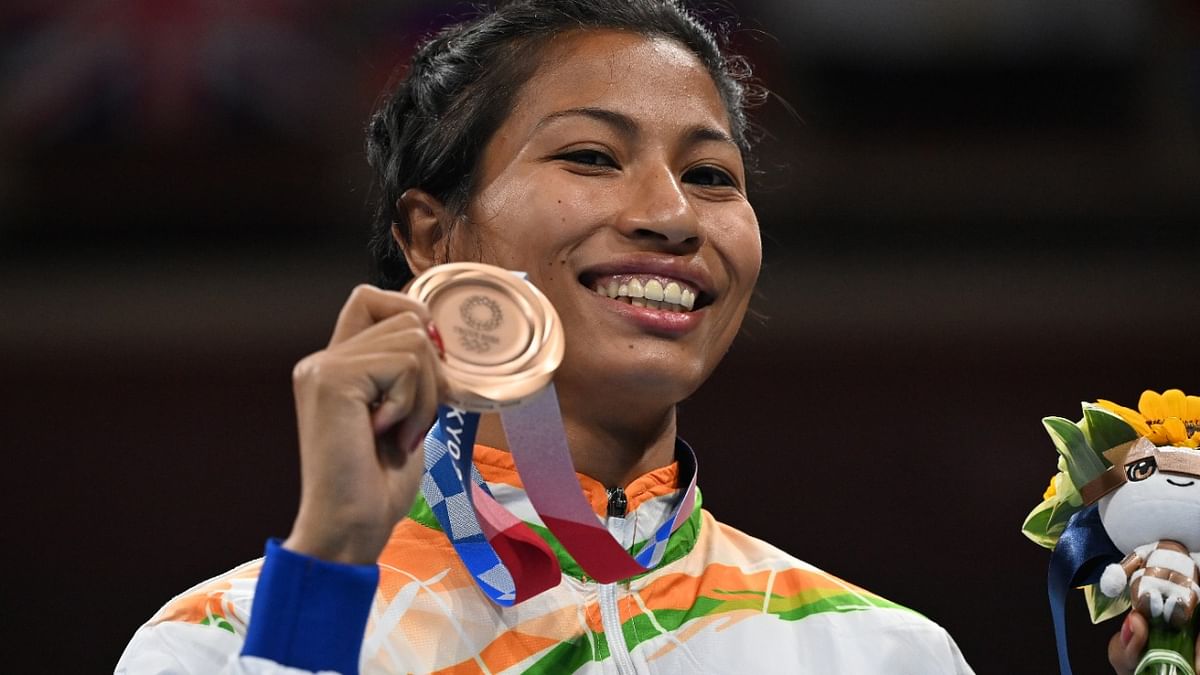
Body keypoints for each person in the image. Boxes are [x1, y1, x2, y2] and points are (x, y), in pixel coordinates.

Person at [117, 1, 975, 672]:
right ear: (432, 236)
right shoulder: (217, 641)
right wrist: (330, 572)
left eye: (710, 175)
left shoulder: (878, 651)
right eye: (592, 157)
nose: (673, 216)